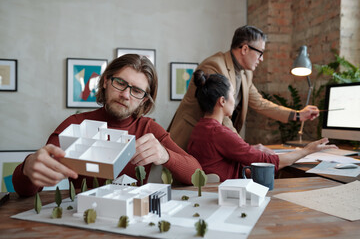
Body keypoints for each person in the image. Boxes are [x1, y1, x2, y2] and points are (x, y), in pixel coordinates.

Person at [13, 54, 202, 197]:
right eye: (120, 83)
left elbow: (197, 174)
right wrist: (28, 166)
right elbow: (24, 190)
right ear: (105, 81)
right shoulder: (75, 124)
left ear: (144, 101)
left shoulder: (149, 129)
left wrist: (166, 155)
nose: (126, 95)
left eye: (136, 90)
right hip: (83, 220)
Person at [168, 25, 320, 151]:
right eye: (260, 53)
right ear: (245, 49)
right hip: (189, 139)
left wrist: (298, 115)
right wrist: (245, 149)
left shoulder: (246, 74)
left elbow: (260, 103)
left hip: (212, 141)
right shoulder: (214, 66)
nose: (262, 59)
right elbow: (222, 115)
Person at [187, 70, 337, 181]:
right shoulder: (218, 132)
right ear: (222, 101)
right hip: (225, 194)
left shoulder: (200, 128)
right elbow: (267, 162)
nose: (234, 99)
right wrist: (307, 150)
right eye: (232, 95)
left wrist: (250, 149)